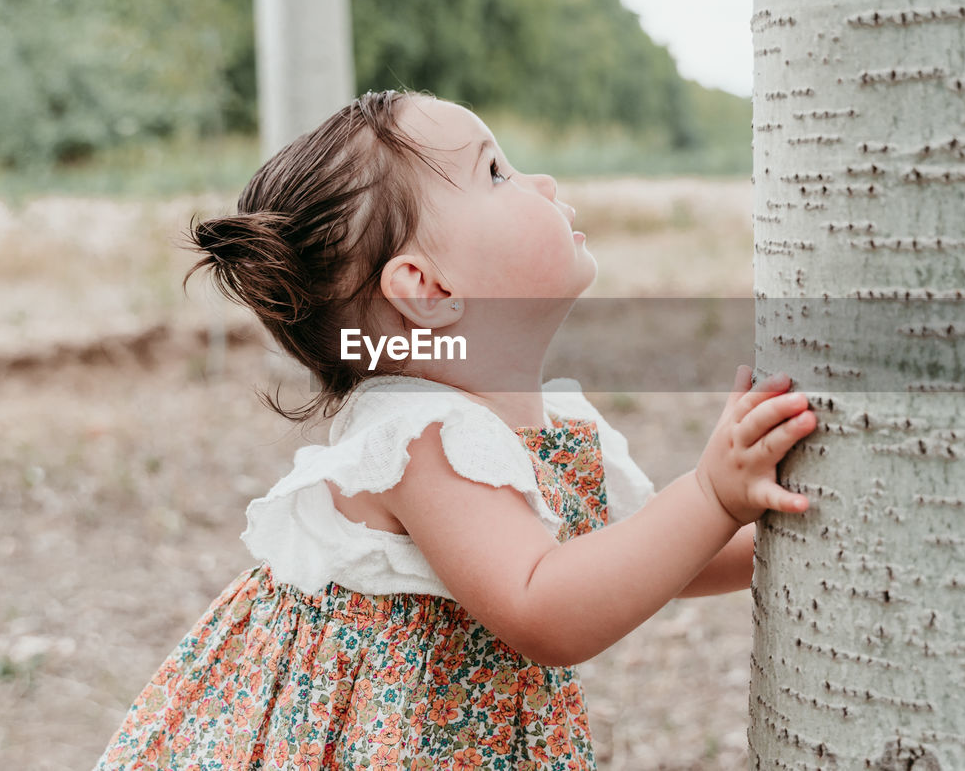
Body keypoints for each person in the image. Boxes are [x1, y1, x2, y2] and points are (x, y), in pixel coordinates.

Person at [92, 89, 815, 770]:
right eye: (497, 172)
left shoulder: (544, 424)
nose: (544, 182)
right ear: (430, 290)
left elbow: (646, 557)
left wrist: (780, 523)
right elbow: (548, 609)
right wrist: (712, 495)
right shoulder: (419, 438)